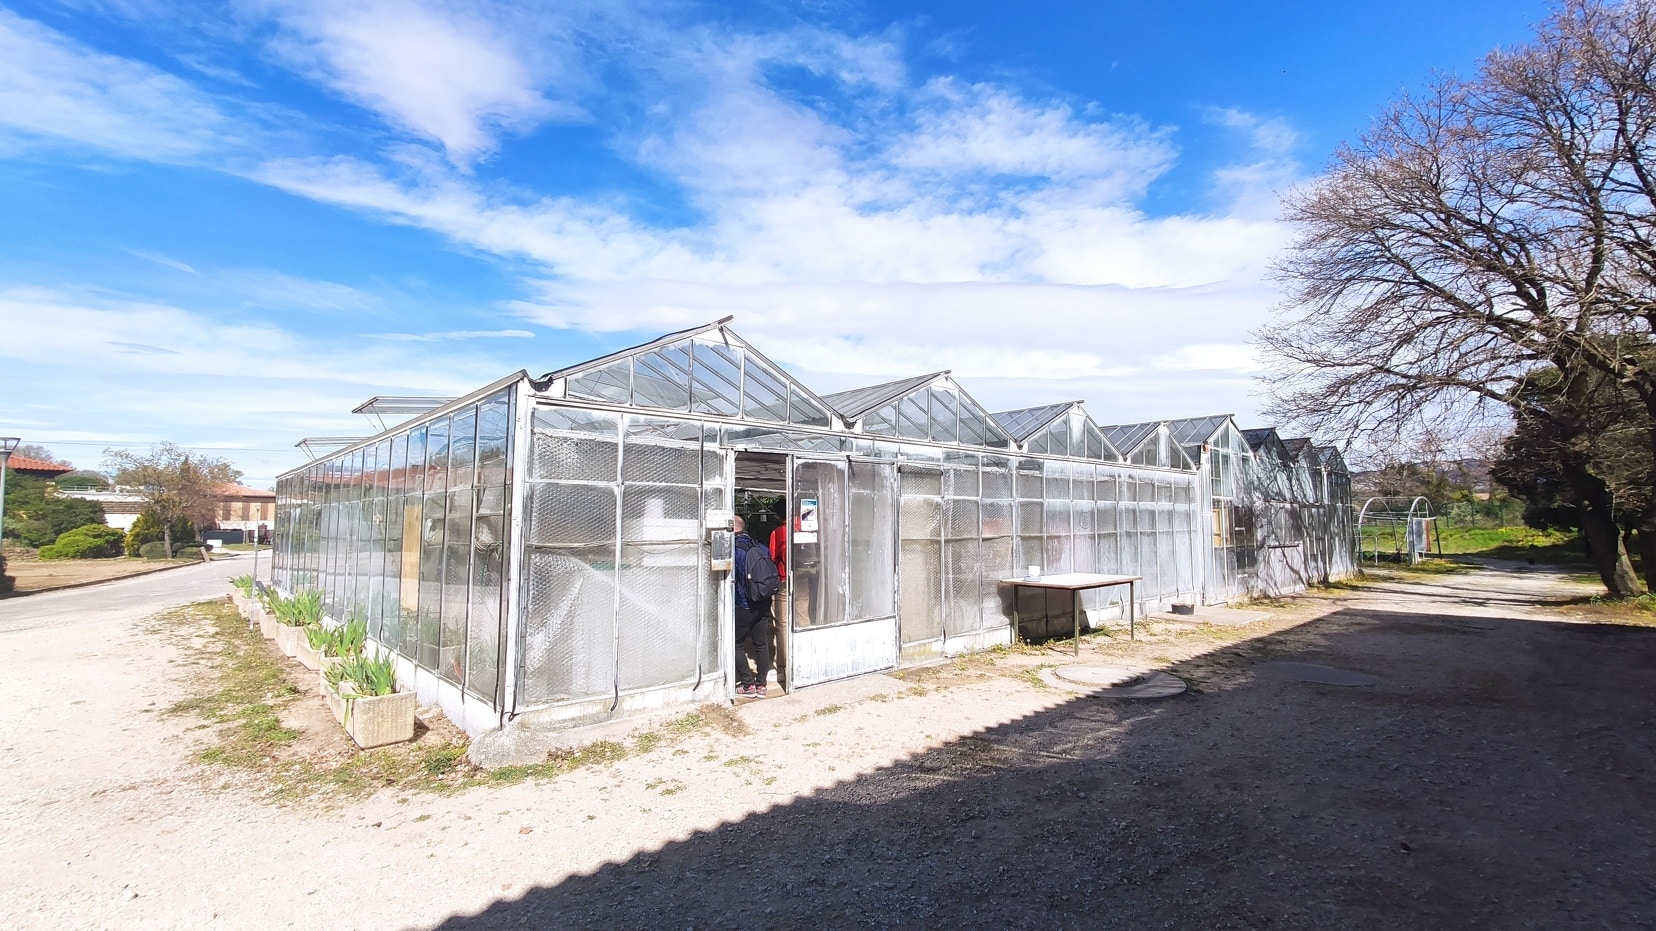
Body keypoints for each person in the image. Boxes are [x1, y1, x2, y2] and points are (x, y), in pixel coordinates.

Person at [732, 515, 773, 698]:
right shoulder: (759, 545)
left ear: (732, 529)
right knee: (761, 644)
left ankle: (748, 685)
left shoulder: (733, 549)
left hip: (743, 604)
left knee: (735, 644)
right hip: (763, 601)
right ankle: (761, 685)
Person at [767, 508, 790, 691]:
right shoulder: (803, 527)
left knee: (781, 623)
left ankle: (782, 666)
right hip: (804, 579)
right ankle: (802, 659)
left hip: (783, 580)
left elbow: (772, 556)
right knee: (801, 617)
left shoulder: (778, 532)